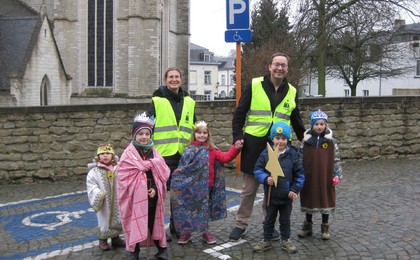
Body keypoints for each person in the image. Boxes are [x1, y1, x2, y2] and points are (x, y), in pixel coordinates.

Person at [229, 52, 306, 241]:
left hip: (278, 148)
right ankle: (241, 224)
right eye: (276, 64)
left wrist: (307, 139)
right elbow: (239, 113)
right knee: (249, 189)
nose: (280, 68)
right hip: (254, 145)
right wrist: (237, 136)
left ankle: (268, 225)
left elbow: (296, 120)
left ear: (287, 69)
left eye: (283, 65)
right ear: (270, 67)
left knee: (272, 189)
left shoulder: (292, 91)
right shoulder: (254, 85)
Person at [170, 121, 243, 245]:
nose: (202, 135)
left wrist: (235, 148)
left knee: (204, 209)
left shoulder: (212, 150)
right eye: (199, 132)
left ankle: (205, 231)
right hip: (191, 187)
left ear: (208, 135)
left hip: (207, 186)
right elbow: (183, 168)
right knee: (189, 209)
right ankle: (187, 231)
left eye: (204, 133)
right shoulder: (189, 150)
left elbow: (225, 158)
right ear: (194, 134)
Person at [147, 67, 196, 241]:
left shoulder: (189, 101)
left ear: (181, 80)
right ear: (165, 80)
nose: (174, 80)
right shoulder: (157, 100)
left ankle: (178, 227)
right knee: (158, 194)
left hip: (183, 154)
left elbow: (194, 127)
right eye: (171, 77)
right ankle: (157, 230)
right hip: (162, 155)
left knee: (180, 194)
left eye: (177, 77)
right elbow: (147, 126)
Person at [117, 112, 170, 260]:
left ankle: (162, 249)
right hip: (135, 199)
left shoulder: (155, 153)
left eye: (147, 134)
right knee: (136, 223)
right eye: (141, 134)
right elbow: (123, 176)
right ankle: (134, 251)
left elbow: (163, 172)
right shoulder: (128, 154)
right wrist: (139, 188)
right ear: (134, 135)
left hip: (152, 197)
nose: (144, 137)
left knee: (155, 223)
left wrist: (155, 189)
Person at [253, 122, 304, 254]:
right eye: (277, 138)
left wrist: (294, 189)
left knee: (285, 220)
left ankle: (286, 240)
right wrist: (265, 178)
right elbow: (257, 169)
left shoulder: (293, 155)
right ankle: (266, 239)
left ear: (287, 139)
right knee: (269, 219)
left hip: (287, 196)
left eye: (283, 138)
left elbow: (300, 175)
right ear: (272, 139)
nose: (280, 141)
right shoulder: (266, 154)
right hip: (271, 195)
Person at [297, 109, 343, 240]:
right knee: (309, 197)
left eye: (322, 124)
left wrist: (337, 175)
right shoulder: (306, 141)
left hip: (326, 175)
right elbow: (300, 159)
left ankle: (325, 225)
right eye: (316, 124)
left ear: (326, 125)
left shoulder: (331, 142)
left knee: (325, 198)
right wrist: (299, 174)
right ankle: (308, 225)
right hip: (309, 174)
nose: (319, 127)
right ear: (312, 125)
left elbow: (337, 159)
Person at [86, 144, 125, 251]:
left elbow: (124, 180)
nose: (105, 156)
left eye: (108, 153)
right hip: (104, 201)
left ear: (112, 156)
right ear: (98, 156)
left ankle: (115, 238)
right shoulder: (94, 172)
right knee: (104, 219)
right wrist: (98, 194)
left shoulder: (118, 168)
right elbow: (91, 185)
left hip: (117, 199)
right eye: (102, 154)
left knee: (117, 217)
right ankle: (102, 240)